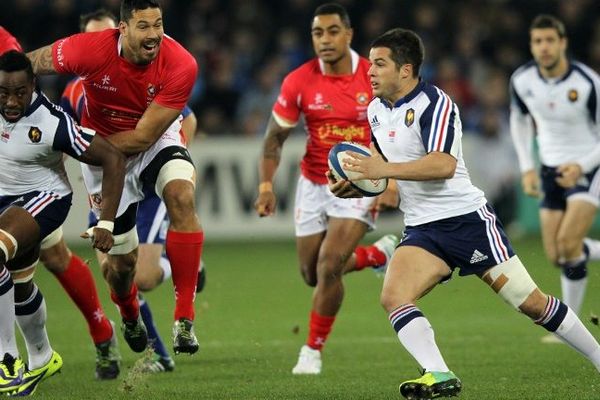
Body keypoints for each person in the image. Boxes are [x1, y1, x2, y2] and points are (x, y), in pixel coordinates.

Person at [330, 27, 600, 399]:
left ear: (405, 70)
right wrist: (360, 185)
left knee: (531, 303)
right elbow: (390, 182)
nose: (370, 72)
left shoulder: (434, 103)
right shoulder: (376, 111)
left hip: (466, 221)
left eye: (379, 64)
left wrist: (381, 171)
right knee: (394, 296)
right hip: (423, 230)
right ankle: (439, 374)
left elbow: (441, 165)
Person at [26, 0, 204, 356]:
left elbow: (143, 137)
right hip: (101, 156)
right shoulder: (88, 50)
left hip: (149, 140)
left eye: (159, 25)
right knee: (120, 268)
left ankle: (184, 319)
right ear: (122, 29)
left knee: (182, 194)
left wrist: (78, 146)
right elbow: (28, 64)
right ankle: (128, 312)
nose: (154, 35)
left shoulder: (181, 63)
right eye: (144, 26)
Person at [254, 3, 399, 375]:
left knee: (330, 263)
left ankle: (312, 350)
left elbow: (399, 132)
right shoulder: (299, 81)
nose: (325, 40)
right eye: (318, 33)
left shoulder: (373, 75)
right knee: (312, 274)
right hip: (314, 182)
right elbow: (274, 139)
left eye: (333, 31)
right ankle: (376, 256)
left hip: (361, 183)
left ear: (348, 34)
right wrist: (267, 184)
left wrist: (390, 179)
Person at [0, 50, 125, 396]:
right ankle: (41, 357)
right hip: (5, 205)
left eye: (20, 93)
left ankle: (6, 361)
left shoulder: (51, 122)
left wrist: (107, 222)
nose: (11, 101)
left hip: (45, 201)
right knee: (20, 285)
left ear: (33, 86)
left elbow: (112, 158)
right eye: (4, 93)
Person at [509, 14, 600, 344]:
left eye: (550, 40)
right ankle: (594, 250)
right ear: (532, 46)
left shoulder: (587, 82)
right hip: (549, 169)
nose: (544, 47)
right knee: (556, 255)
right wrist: (527, 167)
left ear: (562, 43)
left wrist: (583, 164)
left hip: (589, 168)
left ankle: (568, 327)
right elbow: (519, 120)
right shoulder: (522, 80)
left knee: (567, 243)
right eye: (537, 41)